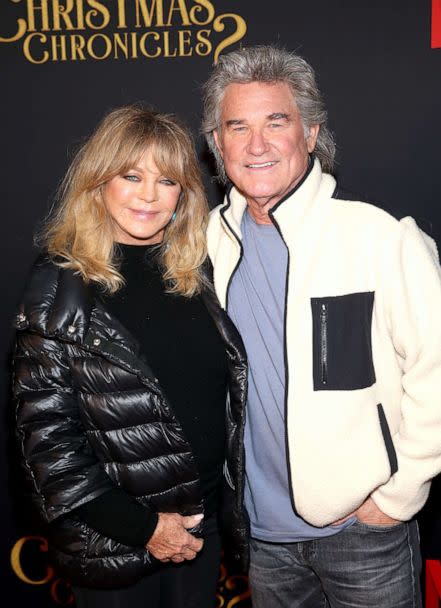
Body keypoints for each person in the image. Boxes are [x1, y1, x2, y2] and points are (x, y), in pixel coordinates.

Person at [202, 44, 441, 607]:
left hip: (363, 536)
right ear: (218, 144)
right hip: (262, 542)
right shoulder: (205, 242)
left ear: (310, 134)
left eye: (275, 122)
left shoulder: (380, 238)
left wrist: (397, 497)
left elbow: (436, 373)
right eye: (237, 127)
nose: (256, 145)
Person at [12, 105, 247, 608]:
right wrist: (146, 529)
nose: (148, 195)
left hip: (203, 528)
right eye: (131, 175)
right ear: (99, 182)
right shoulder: (61, 284)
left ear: (183, 193)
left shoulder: (199, 271)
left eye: (166, 180)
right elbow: (49, 450)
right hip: (116, 543)